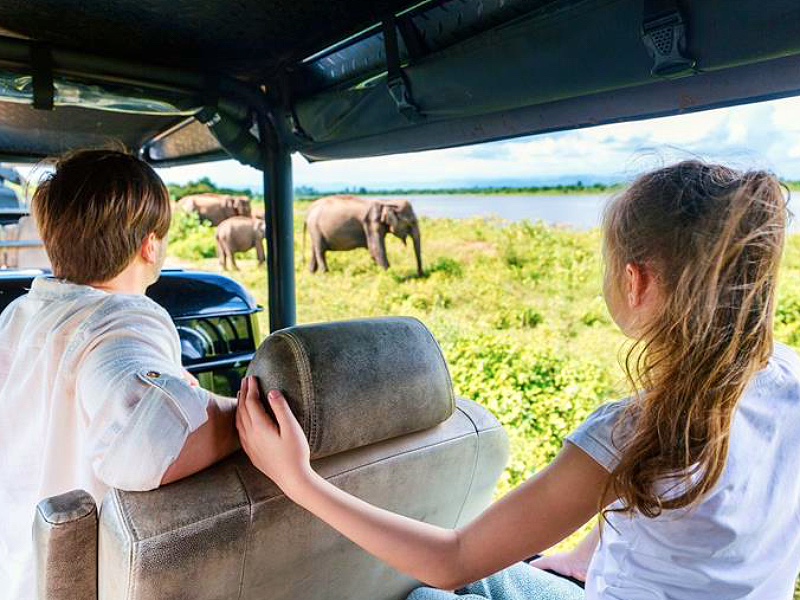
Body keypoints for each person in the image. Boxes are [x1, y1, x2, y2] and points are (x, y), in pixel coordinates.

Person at [235, 161, 800, 599]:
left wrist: (298, 480)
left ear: (636, 281)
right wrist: (582, 557)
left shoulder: (635, 432)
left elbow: (452, 559)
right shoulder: (792, 384)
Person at [0, 149, 239, 600]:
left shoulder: (18, 316)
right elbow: (148, 444)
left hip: (17, 569)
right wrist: (235, 412)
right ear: (150, 244)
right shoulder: (119, 323)